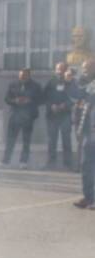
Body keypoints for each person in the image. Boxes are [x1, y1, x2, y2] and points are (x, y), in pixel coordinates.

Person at [1, 68, 42, 169]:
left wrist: (29, 100)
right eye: (20, 75)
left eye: (24, 75)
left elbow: (41, 100)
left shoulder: (36, 86)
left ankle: (23, 161)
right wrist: (15, 101)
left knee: (26, 140)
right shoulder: (13, 84)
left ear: (29, 75)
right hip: (15, 115)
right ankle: (5, 161)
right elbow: (7, 99)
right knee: (10, 139)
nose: (22, 77)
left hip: (28, 116)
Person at [42, 62, 78, 169]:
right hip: (52, 115)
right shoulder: (51, 82)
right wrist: (51, 105)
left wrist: (65, 105)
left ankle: (68, 164)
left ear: (66, 70)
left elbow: (75, 97)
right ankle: (50, 163)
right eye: (57, 69)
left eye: (61, 69)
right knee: (51, 139)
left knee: (66, 139)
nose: (59, 71)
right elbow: (44, 97)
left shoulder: (71, 82)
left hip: (65, 115)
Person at [74, 58, 95, 208]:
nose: (84, 71)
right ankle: (88, 197)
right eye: (83, 68)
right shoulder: (89, 85)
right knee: (86, 165)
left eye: (87, 68)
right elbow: (78, 97)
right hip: (90, 131)